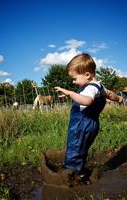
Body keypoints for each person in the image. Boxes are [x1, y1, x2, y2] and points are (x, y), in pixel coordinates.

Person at [41, 53, 122, 187]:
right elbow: (109, 94)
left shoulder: (90, 89)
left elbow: (87, 101)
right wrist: (119, 99)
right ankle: (80, 172)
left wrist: (70, 93)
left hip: (82, 124)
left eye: (74, 78)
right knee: (80, 149)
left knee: (74, 150)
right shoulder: (99, 86)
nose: (73, 82)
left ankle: (70, 179)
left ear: (87, 75)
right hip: (91, 124)